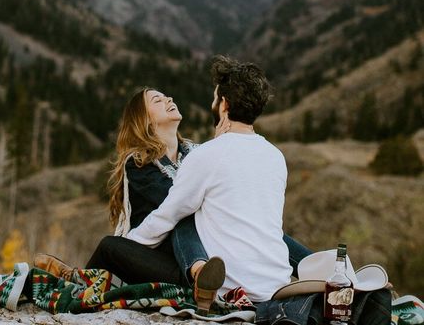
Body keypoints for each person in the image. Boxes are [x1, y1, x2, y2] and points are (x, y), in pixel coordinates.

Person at [36, 58, 311, 309]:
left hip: (202, 253)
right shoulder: (140, 162)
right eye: (156, 100)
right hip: (157, 252)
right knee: (166, 223)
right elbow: (171, 212)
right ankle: (82, 281)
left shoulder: (196, 153)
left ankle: (319, 264)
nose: (168, 98)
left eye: (166, 95)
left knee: (266, 231)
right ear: (144, 120)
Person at [127, 56, 300, 303]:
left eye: (215, 98)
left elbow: (170, 213)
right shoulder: (276, 156)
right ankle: (320, 267)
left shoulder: (203, 155)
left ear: (224, 105)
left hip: (227, 285)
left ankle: (199, 272)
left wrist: (126, 245)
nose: (170, 100)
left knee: (187, 213)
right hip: (275, 286)